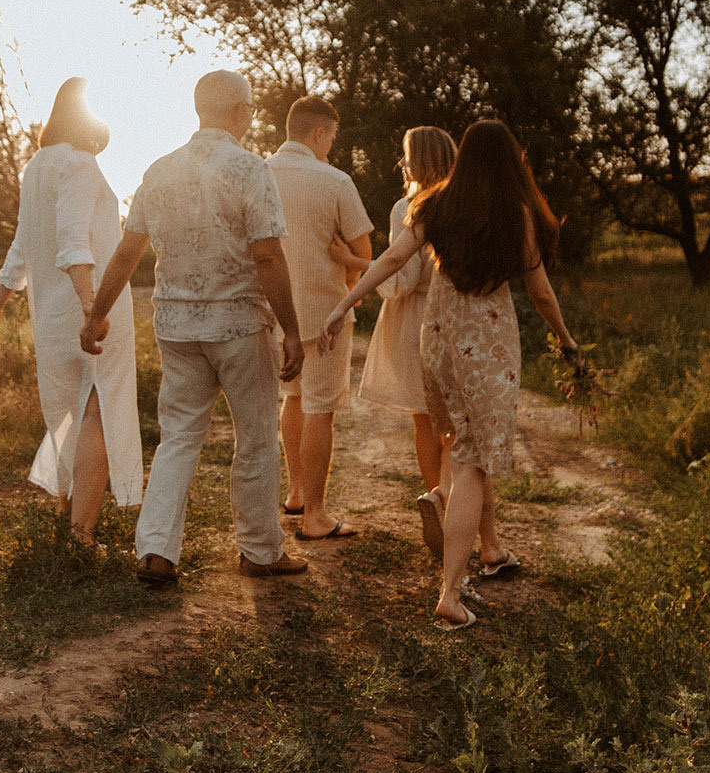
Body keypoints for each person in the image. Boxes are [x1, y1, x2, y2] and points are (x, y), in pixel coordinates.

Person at [318, 119, 577, 630]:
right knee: (472, 463)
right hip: (486, 345)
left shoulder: (435, 204)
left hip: (436, 341)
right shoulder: (517, 214)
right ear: (510, 162)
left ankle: (492, 550)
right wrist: (567, 340)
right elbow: (541, 293)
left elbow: (392, 258)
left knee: (463, 446)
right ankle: (451, 593)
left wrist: (344, 303)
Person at [80, 70, 307, 588]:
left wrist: (96, 315)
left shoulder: (159, 171)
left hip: (177, 327)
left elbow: (126, 251)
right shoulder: (250, 169)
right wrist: (291, 330)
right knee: (255, 437)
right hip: (239, 325)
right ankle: (259, 550)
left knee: (179, 435)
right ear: (242, 111)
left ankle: (156, 551)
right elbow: (268, 255)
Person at [0, 77, 142, 545]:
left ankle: (69, 513)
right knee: (99, 407)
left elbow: (21, 245)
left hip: (47, 312)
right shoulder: (81, 166)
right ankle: (82, 533)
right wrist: (93, 307)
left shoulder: (37, 166)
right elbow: (72, 241)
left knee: (68, 412)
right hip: (88, 305)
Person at [266, 96, 373, 542]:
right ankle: (317, 515)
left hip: (272, 314)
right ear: (317, 134)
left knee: (292, 399)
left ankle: (295, 493)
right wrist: (349, 286)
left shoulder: (258, 173)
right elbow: (363, 251)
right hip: (324, 312)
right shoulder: (335, 180)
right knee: (320, 409)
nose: (331, 144)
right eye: (331, 136)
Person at [358, 126, 457, 504]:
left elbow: (403, 277)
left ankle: (436, 497)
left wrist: (363, 266)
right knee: (455, 420)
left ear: (423, 160)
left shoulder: (408, 207)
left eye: (407, 155)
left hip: (415, 319)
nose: (401, 162)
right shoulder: (464, 202)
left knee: (424, 418)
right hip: (457, 314)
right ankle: (450, 494)